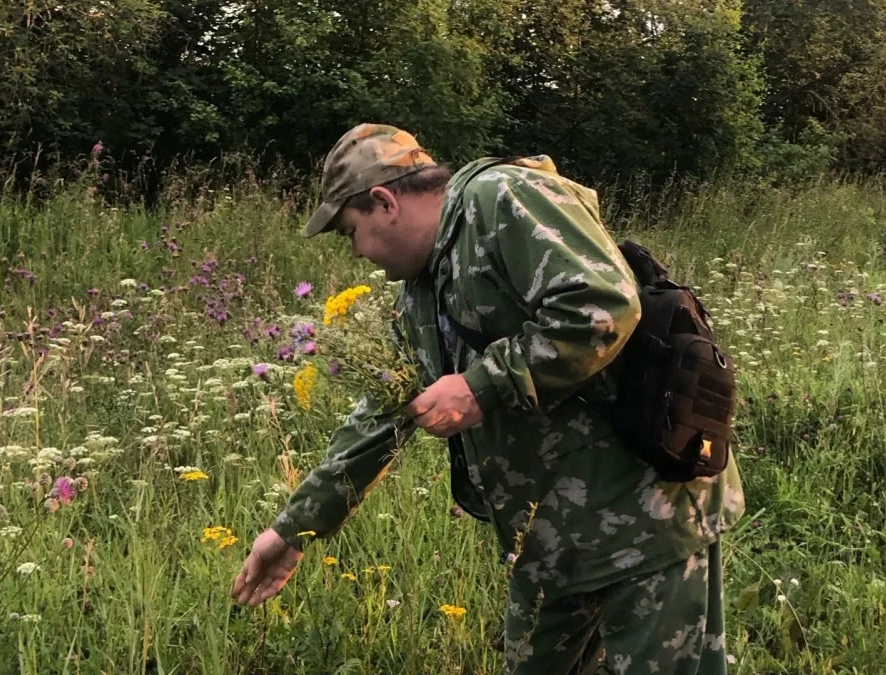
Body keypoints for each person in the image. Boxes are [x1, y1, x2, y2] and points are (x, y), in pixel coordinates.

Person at [230, 123, 746, 674]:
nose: (355, 252)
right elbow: (381, 417)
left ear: (384, 202)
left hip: (648, 520)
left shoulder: (500, 199)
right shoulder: (418, 295)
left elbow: (602, 307)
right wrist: (291, 532)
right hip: (550, 548)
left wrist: (480, 386)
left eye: (350, 232)